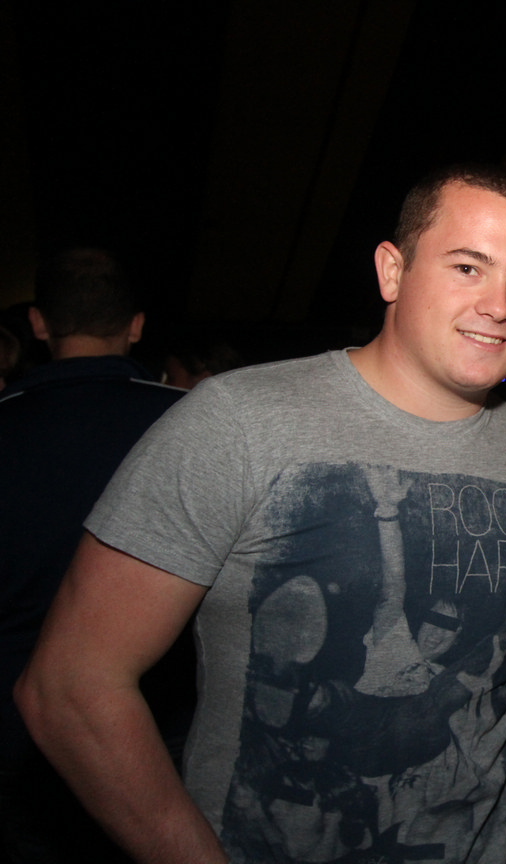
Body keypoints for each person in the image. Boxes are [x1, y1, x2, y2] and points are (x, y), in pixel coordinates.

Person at [15, 165, 506, 864]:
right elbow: (70, 687)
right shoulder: (238, 422)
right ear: (392, 271)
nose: (499, 306)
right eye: (468, 267)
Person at [1, 248, 189, 863]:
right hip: (154, 737)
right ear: (135, 325)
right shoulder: (187, 423)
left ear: (38, 323)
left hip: (16, 743)